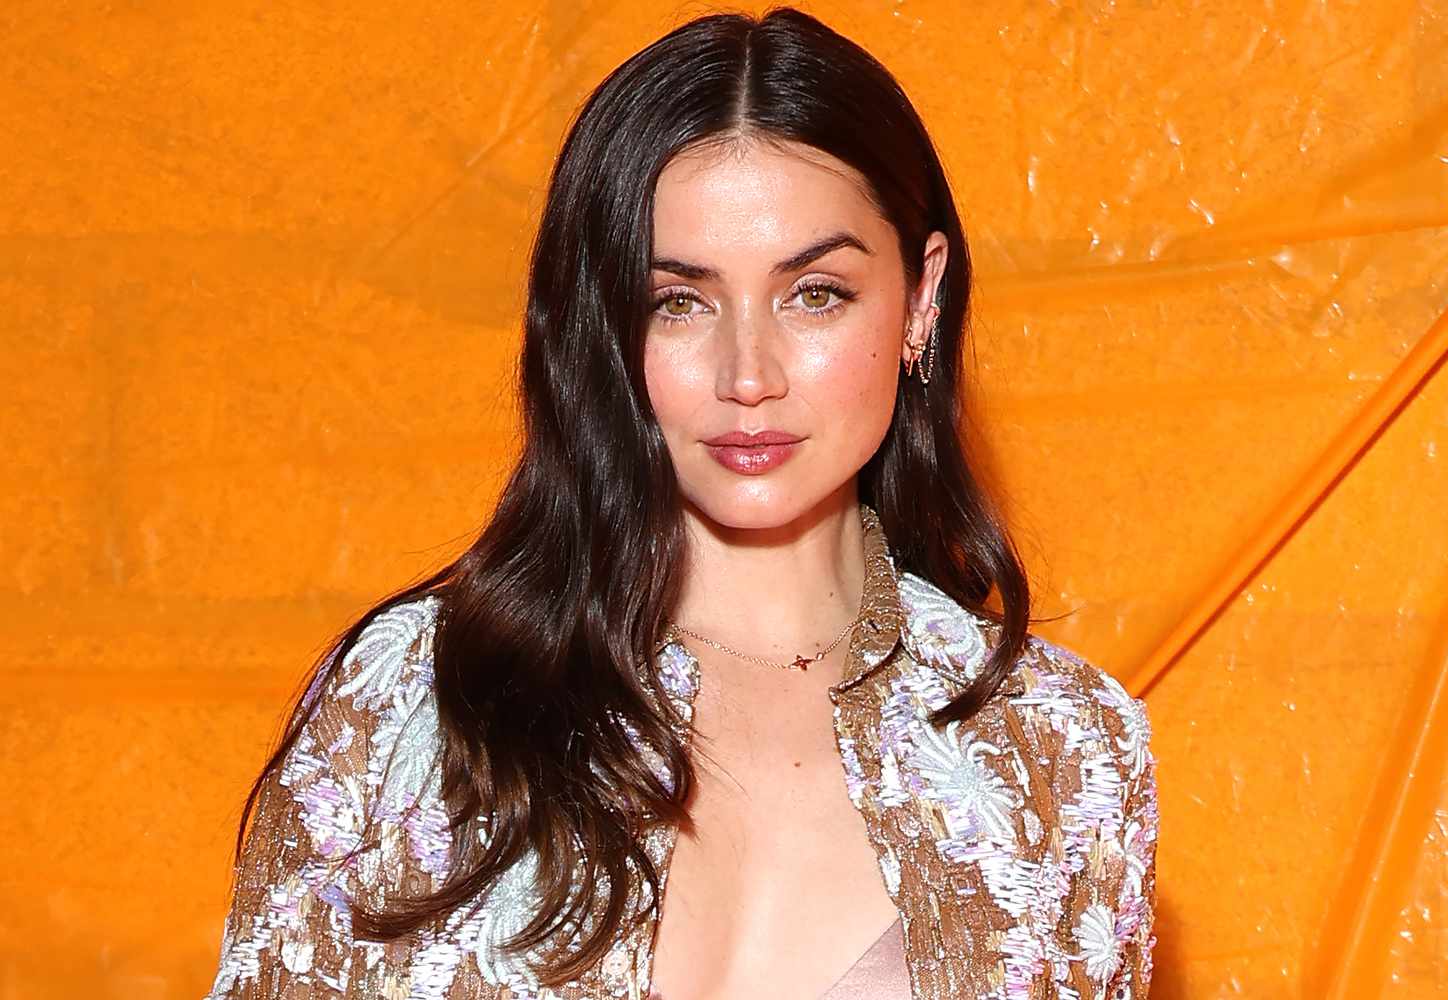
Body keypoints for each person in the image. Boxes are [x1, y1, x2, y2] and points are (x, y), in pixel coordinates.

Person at [203, 7, 1158, 999]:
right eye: (679, 301)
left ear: (922, 298)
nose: (749, 375)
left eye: (816, 293)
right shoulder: (413, 699)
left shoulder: (1063, 748)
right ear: (604, 325)